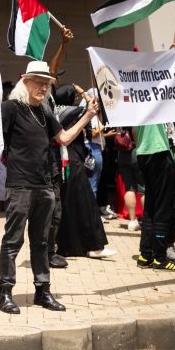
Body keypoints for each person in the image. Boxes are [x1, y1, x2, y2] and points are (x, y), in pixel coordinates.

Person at [0, 60, 98, 314]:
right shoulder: (11, 108)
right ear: (25, 81)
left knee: (42, 242)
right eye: (38, 82)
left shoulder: (44, 112)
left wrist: (87, 115)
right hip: (20, 185)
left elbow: (63, 138)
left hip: (44, 186)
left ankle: (43, 291)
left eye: (47, 83)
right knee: (13, 240)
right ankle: (5, 291)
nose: (43, 87)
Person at [54, 85, 116, 259]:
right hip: (74, 162)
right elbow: (93, 105)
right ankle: (95, 246)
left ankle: (66, 246)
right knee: (87, 204)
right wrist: (84, 93)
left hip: (61, 161)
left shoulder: (54, 113)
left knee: (67, 205)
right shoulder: (75, 112)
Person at [133, 122, 175, 271]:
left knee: (151, 207)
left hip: (143, 152)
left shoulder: (136, 101)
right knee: (162, 208)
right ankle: (160, 258)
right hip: (158, 151)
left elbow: (134, 130)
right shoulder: (152, 101)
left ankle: (145, 255)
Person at [46, 26, 73, 270]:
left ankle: (48, 250)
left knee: (56, 208)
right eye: (53, 78)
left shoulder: (51, 98)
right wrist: (63, 45)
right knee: (52, 208)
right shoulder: (43, 96)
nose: (57, 79)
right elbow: (52, 70)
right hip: (45, 163)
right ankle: (46, 252)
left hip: (54, 161)